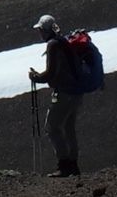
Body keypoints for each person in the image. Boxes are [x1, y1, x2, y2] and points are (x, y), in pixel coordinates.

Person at [27, 13, 84, 177]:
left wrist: (36, 77)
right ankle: (73, 165)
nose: (39, 33)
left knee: (52, 128)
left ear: (45, 30)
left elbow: (50, 74)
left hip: (64, 93)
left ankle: (64, 165)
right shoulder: (63, 41)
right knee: (68, 127)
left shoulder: (53, 45)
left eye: (40, 30)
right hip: (76, 92)